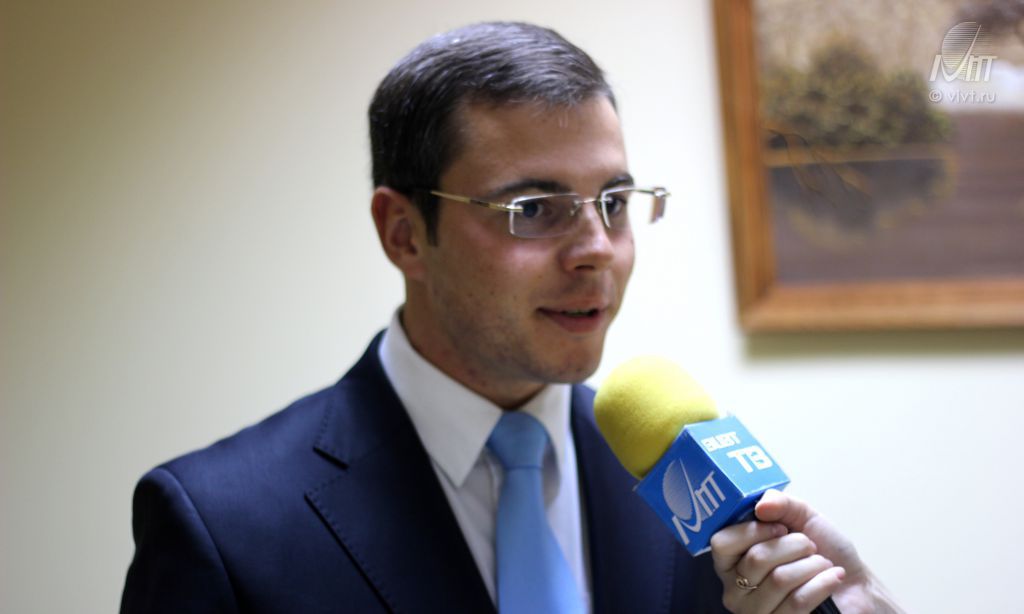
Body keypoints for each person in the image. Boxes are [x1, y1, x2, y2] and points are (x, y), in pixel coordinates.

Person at [120, 21, 902, 614]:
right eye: (534, 209)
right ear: (404, 233)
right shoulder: (221, 525)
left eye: (614, 202)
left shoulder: (686, 490)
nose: (597, 251)